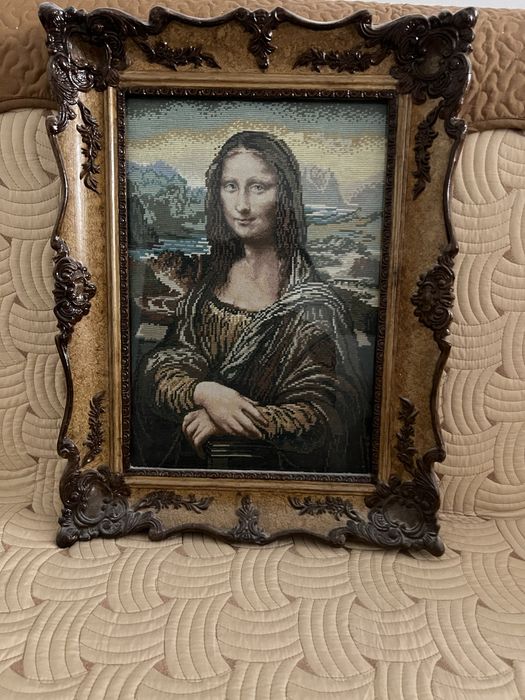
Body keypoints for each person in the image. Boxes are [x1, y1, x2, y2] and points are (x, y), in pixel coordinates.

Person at [132, 131, 370, 472]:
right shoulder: (206, 285)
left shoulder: (316, 306)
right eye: (230, 186)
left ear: (284, 194)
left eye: (258, 187)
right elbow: (165, 362)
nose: (241, 205)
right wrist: (205, 392)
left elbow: (327, 413)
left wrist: (233, 419)